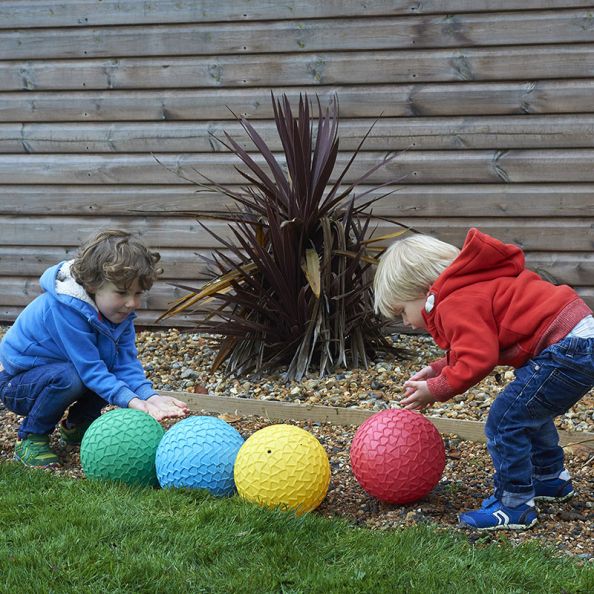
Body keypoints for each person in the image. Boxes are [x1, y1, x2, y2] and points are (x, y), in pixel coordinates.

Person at [373, 228, 594, 530]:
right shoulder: (470, 287)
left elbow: (479, 359)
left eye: (402, 311)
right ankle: (549, 478)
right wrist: (439, 369)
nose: (406, 322)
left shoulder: (453, 302)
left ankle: (514, 505)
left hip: (567, 348)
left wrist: (435, 389)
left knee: (505, 420)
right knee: (528, 410)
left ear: (425, 292)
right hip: (578, 338)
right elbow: (476, 343)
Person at [0, 229, 189, 468]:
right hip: (18, 385)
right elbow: (90, 369)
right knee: (72, 377)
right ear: (92, 285)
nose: (132, 303)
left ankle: (78, 426)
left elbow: (125, 364)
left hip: (63, 373)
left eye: (138, 293)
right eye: (122, 292)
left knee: (101, 369)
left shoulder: (119, 315)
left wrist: (150, 396)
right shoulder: (65, 310)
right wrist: (133, 401)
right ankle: (31, 436)